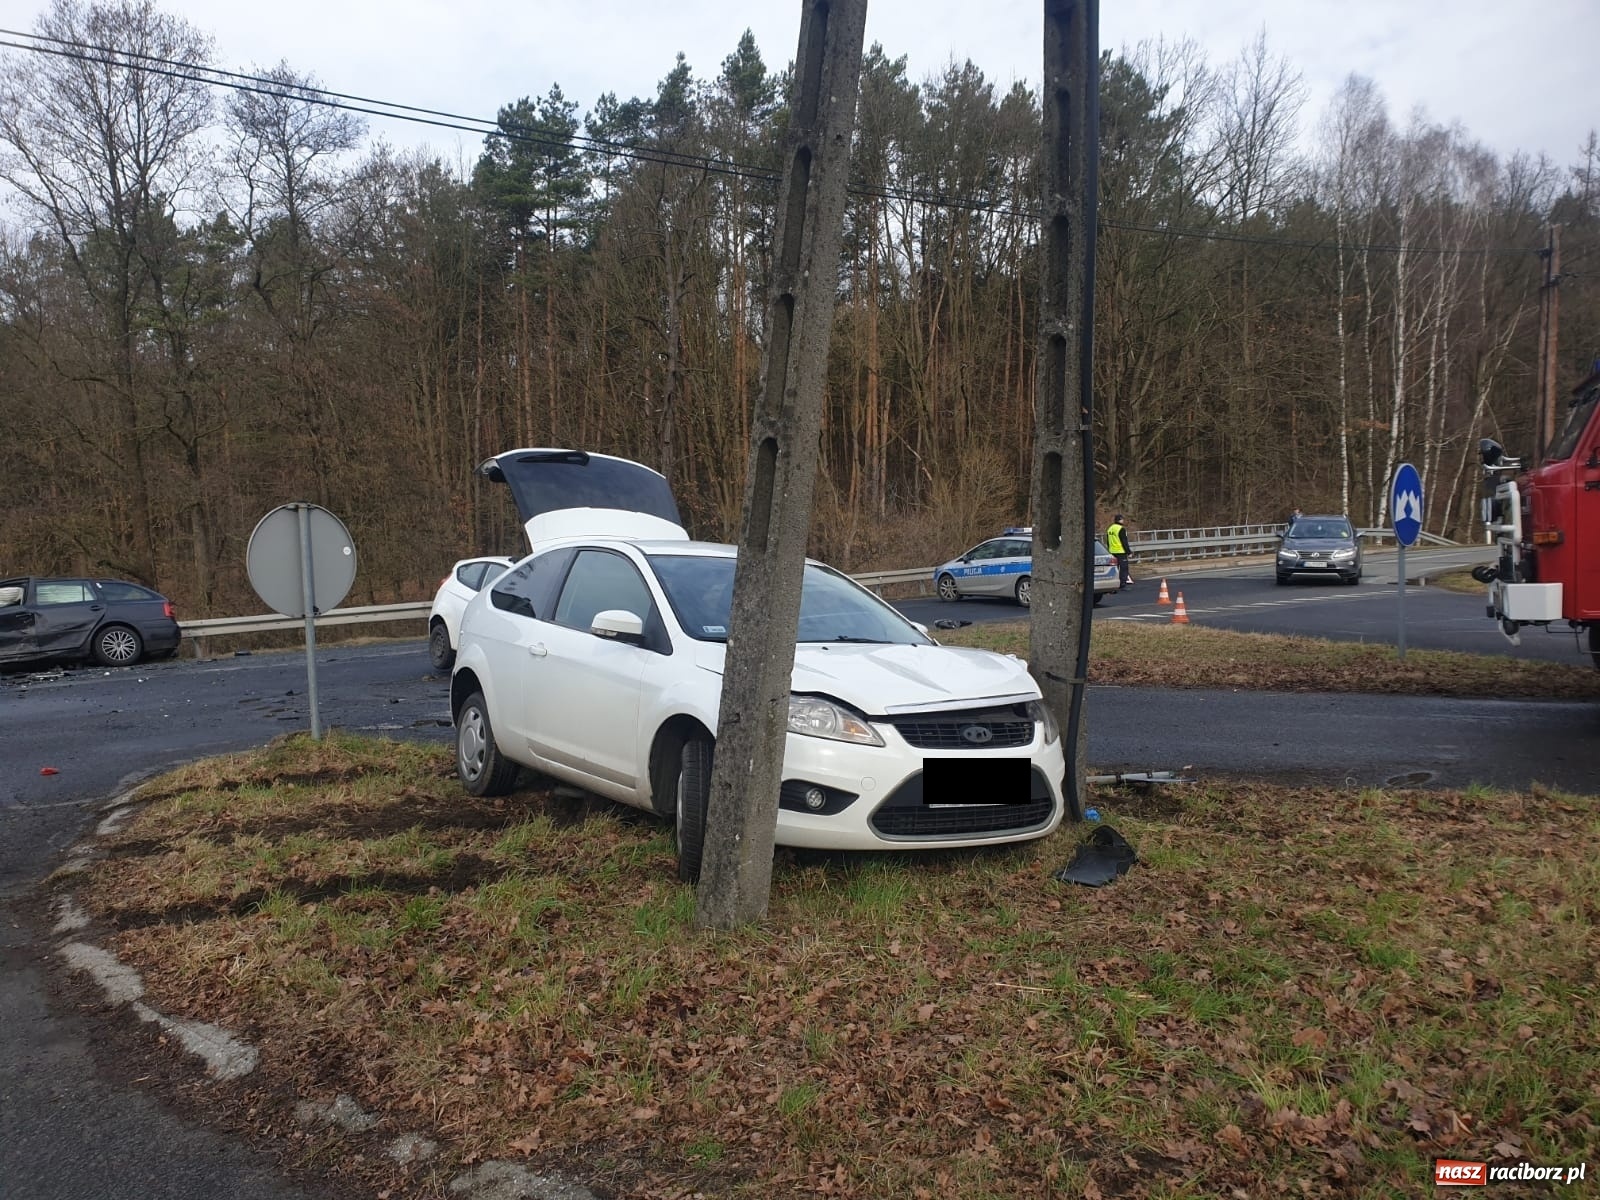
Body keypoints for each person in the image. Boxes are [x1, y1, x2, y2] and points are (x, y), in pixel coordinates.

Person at [1105, 514, 1133, 585]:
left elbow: (1108, 541)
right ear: (1120, 520)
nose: (1123, 520)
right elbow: (1124, 541)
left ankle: (1114, 583)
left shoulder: (1110, 528)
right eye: (1122, 519)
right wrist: (1128, 552)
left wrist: (1109, 549)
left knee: (1114, 568)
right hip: (1121, 551)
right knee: (1124, 568)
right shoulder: (1121, 529)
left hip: (1112, 551)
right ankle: (1122, 584)